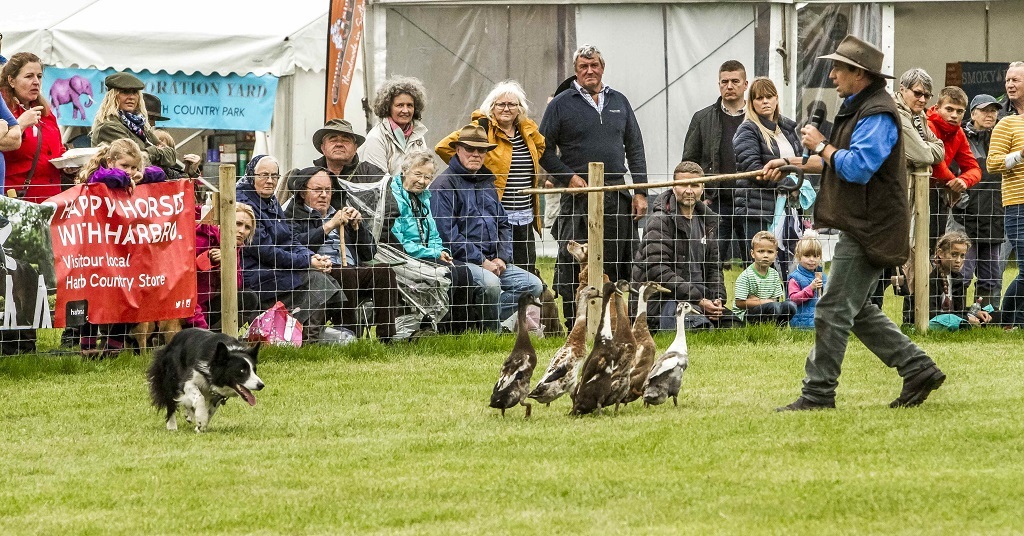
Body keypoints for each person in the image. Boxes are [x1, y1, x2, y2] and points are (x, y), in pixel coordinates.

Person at [764, 35, 946, 411]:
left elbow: (858, 168)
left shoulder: (877, 114)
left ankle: (818, 394)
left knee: (832, 308)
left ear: (859, 74)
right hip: (866, 223)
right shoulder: (861, 106)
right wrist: (792, 164)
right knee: (855, 307)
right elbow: (838, 160)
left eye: (838, 68)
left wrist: (818, 146)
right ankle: (918, 368)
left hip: (870, 228)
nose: (831, 75)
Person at [538, 44, 648, 327]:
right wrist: (568, 177)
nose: (590, 71)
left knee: (615, 258)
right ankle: (578, 322)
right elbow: (543, 149)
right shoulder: (561, 103)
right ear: (576, 71)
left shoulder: (619, 101)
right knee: (575, 260)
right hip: (578, 197)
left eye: (594, 65)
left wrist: (640, 191)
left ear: (602, 67)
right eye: (583, 67)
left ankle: (615, 322)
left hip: (615, 193)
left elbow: (635, 149)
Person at [429, 123, 542, 332]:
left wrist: (502, 257)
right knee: (490, 284)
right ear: (457, 150)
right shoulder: (443, 185)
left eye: (481, 150)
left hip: (493, 259)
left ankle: (480, 321)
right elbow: (447, 236)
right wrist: (481, 261)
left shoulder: (487, 182)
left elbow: (503, 223)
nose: (476, 154)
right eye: (470, 149)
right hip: (459, 261)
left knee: (532, 285)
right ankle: (491, 334)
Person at [435, 80, 546, 275]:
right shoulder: (482, 128)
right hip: (496, 208)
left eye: (512, 104)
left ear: (520, 108)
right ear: (491, 107)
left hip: (524, 212)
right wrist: (472, 172)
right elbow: (444, 147)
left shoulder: (526, 131)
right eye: (500, 104)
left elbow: (541, 148)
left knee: (527, 269)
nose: (506, 108)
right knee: (497, 271)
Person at [235, 155, 345, 343]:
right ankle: (309, 340)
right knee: (316, 280)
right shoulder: (244, 203)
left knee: (321, 277)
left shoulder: (270, 200)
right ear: (251, 175)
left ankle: (307, 338)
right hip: (254, 272)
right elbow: (264, 251)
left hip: (274, 267)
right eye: (264, 175)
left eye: (274, 176)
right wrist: (306, 262)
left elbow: (289, 240)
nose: (270, 181)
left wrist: (312, 256)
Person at [285, 166, 399, 342]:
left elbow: (369, 253)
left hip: (351, 268)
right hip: (321, 271)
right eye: (317, 190)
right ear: (302, 193)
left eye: (328, 190)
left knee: (384, 271)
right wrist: (329, 225)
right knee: (346, 273)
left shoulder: (342, 211)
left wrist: (358, 227)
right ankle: (348, 335)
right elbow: (296, 246)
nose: (324, 195)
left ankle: (388, 338)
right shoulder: (293, 215)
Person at [630, 161, 740, 330]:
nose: (689, 190)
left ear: (702, 187)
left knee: (734, 327)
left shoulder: (708, 221)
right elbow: (658, 270)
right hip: (662, 301)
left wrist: (717, 299)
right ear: (673, 187)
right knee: (700, 328)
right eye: (683, 185)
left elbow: (714, 269)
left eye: (695, 185)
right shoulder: (659, 221)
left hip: (698, 299)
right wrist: (699, 300)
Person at [387, 151, 477, 332]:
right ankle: (442, 327)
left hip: (427, 253)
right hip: (405, 256)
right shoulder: (393, 197)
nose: (422, 181)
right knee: (449, 274)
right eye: (418, 174)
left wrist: (440, 251)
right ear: (405, 171)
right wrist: (433, 253)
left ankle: (461, 330)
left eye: (427, 177)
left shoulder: (424, 198)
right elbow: (399, 240)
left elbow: (434, 234)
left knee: (464, 272)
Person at [881, 68, 945, 306]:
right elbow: (923, 153)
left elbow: (936, 150)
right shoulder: (897, 113)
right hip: (891, 198)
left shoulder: (918, 115)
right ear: (902, 90)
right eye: (918, 93)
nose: (923, 99)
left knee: (912, 258)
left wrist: (926, 151)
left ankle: (912, 319)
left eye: (927, 95)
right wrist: (925, 152)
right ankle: (868, 312)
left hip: (909, 197)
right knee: (883, 262)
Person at [682, 60, 748, 269]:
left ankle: (757, 303)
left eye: (735, 81)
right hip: (716, 202)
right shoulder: (703, 118)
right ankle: (714, 301)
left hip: (751, 201)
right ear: (718, 84)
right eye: (724, 81)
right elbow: (689, 162)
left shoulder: (757, 118)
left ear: (745, 84)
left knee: (758, 263)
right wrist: (698, 194)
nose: (729, 86)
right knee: (711, 263)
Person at [732, 77, 802, 242]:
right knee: (762, 264)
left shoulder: (788, 129)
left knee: (787, 262)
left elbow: (800, 162)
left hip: (789, 205)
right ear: (751, 103)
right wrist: (786, 185)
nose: (765, 102)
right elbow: (753, 169)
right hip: (758, 209)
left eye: (769, 96)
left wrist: (798, 186)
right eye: (759, 98)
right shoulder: (747, 129)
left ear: (776, 99)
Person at [953, 94, 1004, 308]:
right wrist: (963, 204)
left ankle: (986, 319)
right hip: (965, 219)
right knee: (961, 274)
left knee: (991, 277)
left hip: (995, 217)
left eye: (993, 110)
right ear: (972, 113)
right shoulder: (959, 137)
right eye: (984, 110)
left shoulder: (1003, 137)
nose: (989, 114)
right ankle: (955, 317)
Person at [0, 52, 70, 202]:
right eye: (29, 76)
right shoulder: (4, 112)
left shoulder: (46, 112)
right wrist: (21, 123)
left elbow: (57, 149)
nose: (36, 82)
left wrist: (69, 165)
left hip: (52, 201)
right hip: (17, 202)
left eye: (39, 76)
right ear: (11, 80)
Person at [902, 231, 999, 330]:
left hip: (949, 319)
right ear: (940, 253)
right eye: (954, 255)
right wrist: (966, 318)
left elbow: (957, 311)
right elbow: (931, 314)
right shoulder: (931, 280)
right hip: (927, 322)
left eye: (962, 256)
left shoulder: (958, 279)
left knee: (992, 312)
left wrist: (975, 313)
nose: (958, 260)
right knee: (952, 320)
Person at [193, 202, 262, 331]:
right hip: (191, 310)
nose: (242, 231)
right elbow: (186, 288)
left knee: (248, 297)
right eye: (238, 224)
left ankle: (223, 337)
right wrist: (202, 328)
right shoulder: (201, 240)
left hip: (208, 307)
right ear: (224, 221)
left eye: (247, 227)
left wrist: (226, 263)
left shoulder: (234, 246)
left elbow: (236, 285)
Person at [925, 86, 980, 244]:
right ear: (937, 107)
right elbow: (935, 162)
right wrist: (952, 183)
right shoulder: (927, 125)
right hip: (916, 190)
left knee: (934, 244)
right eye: (949, 109)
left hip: (937, 192)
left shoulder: (958, 133)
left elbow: (974, 168)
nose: (954, 115)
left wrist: (962, 181)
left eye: (960, 111)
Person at [987, 91, 1024, 326]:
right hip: (1018, 204)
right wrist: (1020, 155)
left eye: (1016, 79)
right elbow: (992, 163)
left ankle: (1019, 322)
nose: (1010, 84)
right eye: (1008, 79)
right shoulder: (1007, 123)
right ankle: (1005, 318)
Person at [91, 73, 177, 172]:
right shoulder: (109, 126)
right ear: (113, 96)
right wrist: (155, 151)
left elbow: (172, 155)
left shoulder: (140, 126)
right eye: (125, 92)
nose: (131, 97)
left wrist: (147, 153)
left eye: (135, 92)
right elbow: (135, 161)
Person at [358, 76, 429, 176]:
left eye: (409, 105)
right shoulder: (376, 138)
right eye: (400, 105)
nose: (405, 110)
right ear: (388, 107)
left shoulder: (418, 134)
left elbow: (425, 172)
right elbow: (378, 182)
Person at [731, 231, 796, 326]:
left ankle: (778, 329)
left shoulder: (774, 274)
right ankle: (762, 329)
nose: (765, 255)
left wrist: (764, 301)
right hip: (746, 314)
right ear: (752, 253)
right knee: (773, 307)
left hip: (768, 307)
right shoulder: (746, 275)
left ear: (776, 254)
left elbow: (774, 300)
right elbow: (739, 303)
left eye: (770, 252)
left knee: (790, 306)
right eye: (761, 251)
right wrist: (761, 302)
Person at [313, 118, 385, 184]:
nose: (339, 144)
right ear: (323, 148)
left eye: (345, 141)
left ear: (355, 148)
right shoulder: (311, 176)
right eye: (333, 140)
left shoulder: (371, 174)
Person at [787, 233, 826, 329]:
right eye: (807, 256)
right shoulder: (795, 278)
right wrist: (810, 288)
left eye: (816, 256)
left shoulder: (823, 277)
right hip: (802, 324)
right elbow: (794, 299)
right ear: (799, 256)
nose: (812, 259)